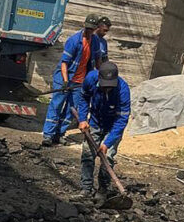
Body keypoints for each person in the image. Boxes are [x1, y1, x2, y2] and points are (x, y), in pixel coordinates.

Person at [77, 60, 131, 205]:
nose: (107, 90)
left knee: (108, 158)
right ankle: (86, 188)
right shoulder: (90, 79)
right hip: (95, 121)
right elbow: (83, 98)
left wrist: (107, 143)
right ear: (99, 79)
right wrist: (82, 119)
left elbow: (122, 120)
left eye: (110, 87)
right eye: (104, 87)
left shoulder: (123, 90)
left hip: (113, 126)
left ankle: (102, 190)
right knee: (88, 154)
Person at [41, 13, 99, 147]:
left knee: (71, 109)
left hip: (80, 81)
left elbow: (96, 61)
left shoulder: (95, 42)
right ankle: (48, 135)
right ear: (84, 26)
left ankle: (59, 134)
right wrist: (66, 82)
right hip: (64, 78)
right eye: (87, 28)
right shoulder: (74, 41)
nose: (89, 31)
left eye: (92, 29)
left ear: (95, 29)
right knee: (56, 106)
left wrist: (96, 78)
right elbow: (64, 63)